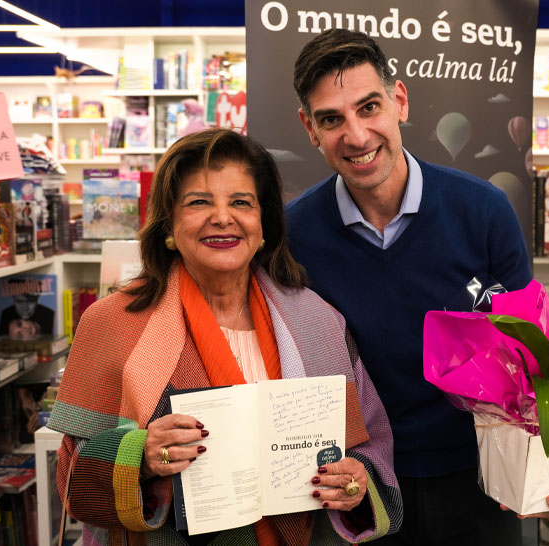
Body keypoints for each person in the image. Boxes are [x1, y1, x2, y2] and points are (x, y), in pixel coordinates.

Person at [286, 29, 549, 546]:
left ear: (399, 100)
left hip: (480, 476)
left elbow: (532, 349)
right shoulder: (293, 234)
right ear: (310, 128)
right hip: (357, 484)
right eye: (332, 119)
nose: (355, 135)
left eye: (369, 107)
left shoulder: (483, 210)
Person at [48, 128, 402, 545]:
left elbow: (371, 440)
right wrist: (138, 458)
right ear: (168, 225)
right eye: (199, 202)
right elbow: (72, 480)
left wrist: (355, 478)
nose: (222, 217)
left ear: (263, 224)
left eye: (241, 202)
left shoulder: (319, 322)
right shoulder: (113, 323)